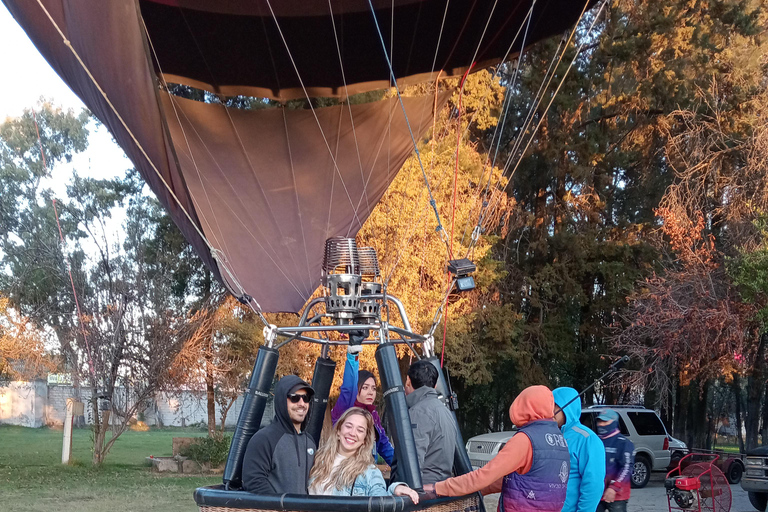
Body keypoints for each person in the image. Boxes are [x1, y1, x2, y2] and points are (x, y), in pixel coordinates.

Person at [424, 385, 570, 512]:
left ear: (524, 406)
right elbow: (525, 480)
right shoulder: (559, 439)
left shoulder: (525, 440)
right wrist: (475, 490)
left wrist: (437, 488)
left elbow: (483, 476)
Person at [308, 407, 419, 503]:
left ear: (364, 440)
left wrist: (394, 489)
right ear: (338, 430)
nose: (352, 433)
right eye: (348, 426)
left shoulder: (370, 473)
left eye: (360, 430)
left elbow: (381, 501)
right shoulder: (316, 460)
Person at [242, 375, 316, 494]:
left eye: (305, 398)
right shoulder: (264, 439)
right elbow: (253, 481)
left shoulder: (310, 441)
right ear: (281, 400)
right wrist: (281, 507)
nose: (302, 403)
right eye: (294, 398)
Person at [331, 330, 394, 465]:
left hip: (366, 473)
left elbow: (384, 445)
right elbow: (348, 388)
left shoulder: (373, 415)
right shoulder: (346, 409)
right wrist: (353, 353)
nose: (370, 392)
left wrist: (403, 468)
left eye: (373, 388)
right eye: (365, 387)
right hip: (345, 473)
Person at [403, 359, 457, 485]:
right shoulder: (445, 411)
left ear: (408, 381)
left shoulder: (418, 412)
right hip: (440, 486)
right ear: (435, 386)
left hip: (423, 490)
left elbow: (414, 460)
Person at [552, 387, 606, 512]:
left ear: (566, 407)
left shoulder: (587, 439)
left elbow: (593, 483)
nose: (550, 411)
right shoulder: (549, 436)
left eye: (554, 406)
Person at [596, 410, 634, 512]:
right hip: (597, 493)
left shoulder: (624, 443)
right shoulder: (595, 441)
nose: (601, 424)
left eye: (605, 422)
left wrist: (614, 487)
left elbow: (627, 467)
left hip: (617, 495)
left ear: (614, 422)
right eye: (599, 421)